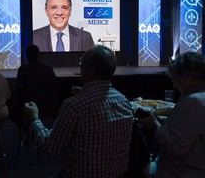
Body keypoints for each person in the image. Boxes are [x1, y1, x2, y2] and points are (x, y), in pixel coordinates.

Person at [24, 45, 133, 178]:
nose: (80, 68)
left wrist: (34, 118)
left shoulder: (74, 106)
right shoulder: (124, 102)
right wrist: (85, 93)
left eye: (82, 64)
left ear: (91, 70)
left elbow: (50, 148)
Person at [140, 51, 205, 178]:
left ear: (190, 76)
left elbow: (175, 147)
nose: (174, 85)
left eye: (175, 78)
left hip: (179, 171)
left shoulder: (194, 102)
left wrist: (155, 125)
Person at [11, 44, 60, 130]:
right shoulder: (48, 69)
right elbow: (56, 88)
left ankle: (28, 131)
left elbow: (20, 92)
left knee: (11, 112)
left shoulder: (23, 70)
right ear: (39, 55)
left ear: (26, 56)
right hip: (49, 107)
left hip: (30, 107)